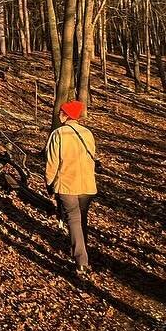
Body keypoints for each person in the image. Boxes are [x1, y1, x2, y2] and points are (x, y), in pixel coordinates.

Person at [45, 99, 99, 275]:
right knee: (81, 219)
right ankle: (83, 253)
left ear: (66, 115)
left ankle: (80, 261)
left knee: (74, 220)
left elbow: (52, 163)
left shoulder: (58, 134)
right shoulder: (88, 133)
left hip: (67, 184)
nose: (59, 115)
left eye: (61, 112)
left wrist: (49, 184)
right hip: (87, 186)